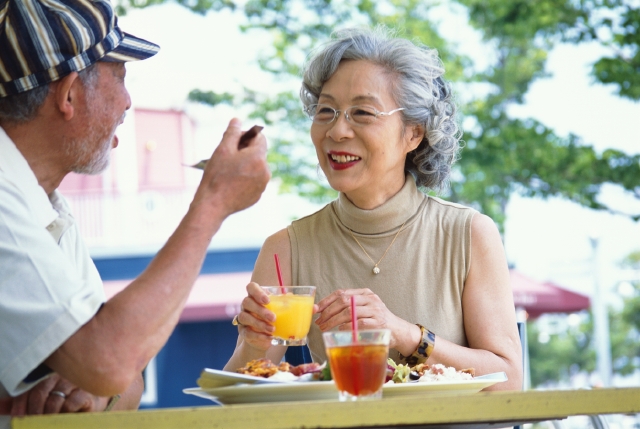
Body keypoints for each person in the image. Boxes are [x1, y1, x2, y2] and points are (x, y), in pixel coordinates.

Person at [0, 0, 270, 424]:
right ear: (69, 93)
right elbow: (107, 360)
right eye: (121, 77)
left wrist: (95, 397)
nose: (128, 103)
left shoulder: (48, 208)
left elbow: (126, 381)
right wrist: (214, 202)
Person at [224, 26, 522, 391]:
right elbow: (243, 393)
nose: (337, 131)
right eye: (326, 110)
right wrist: (254, 343)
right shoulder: (286, 247)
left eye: (362, 112)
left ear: (413, 133)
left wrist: (405, 335)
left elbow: (509, 383)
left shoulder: (468, 233)